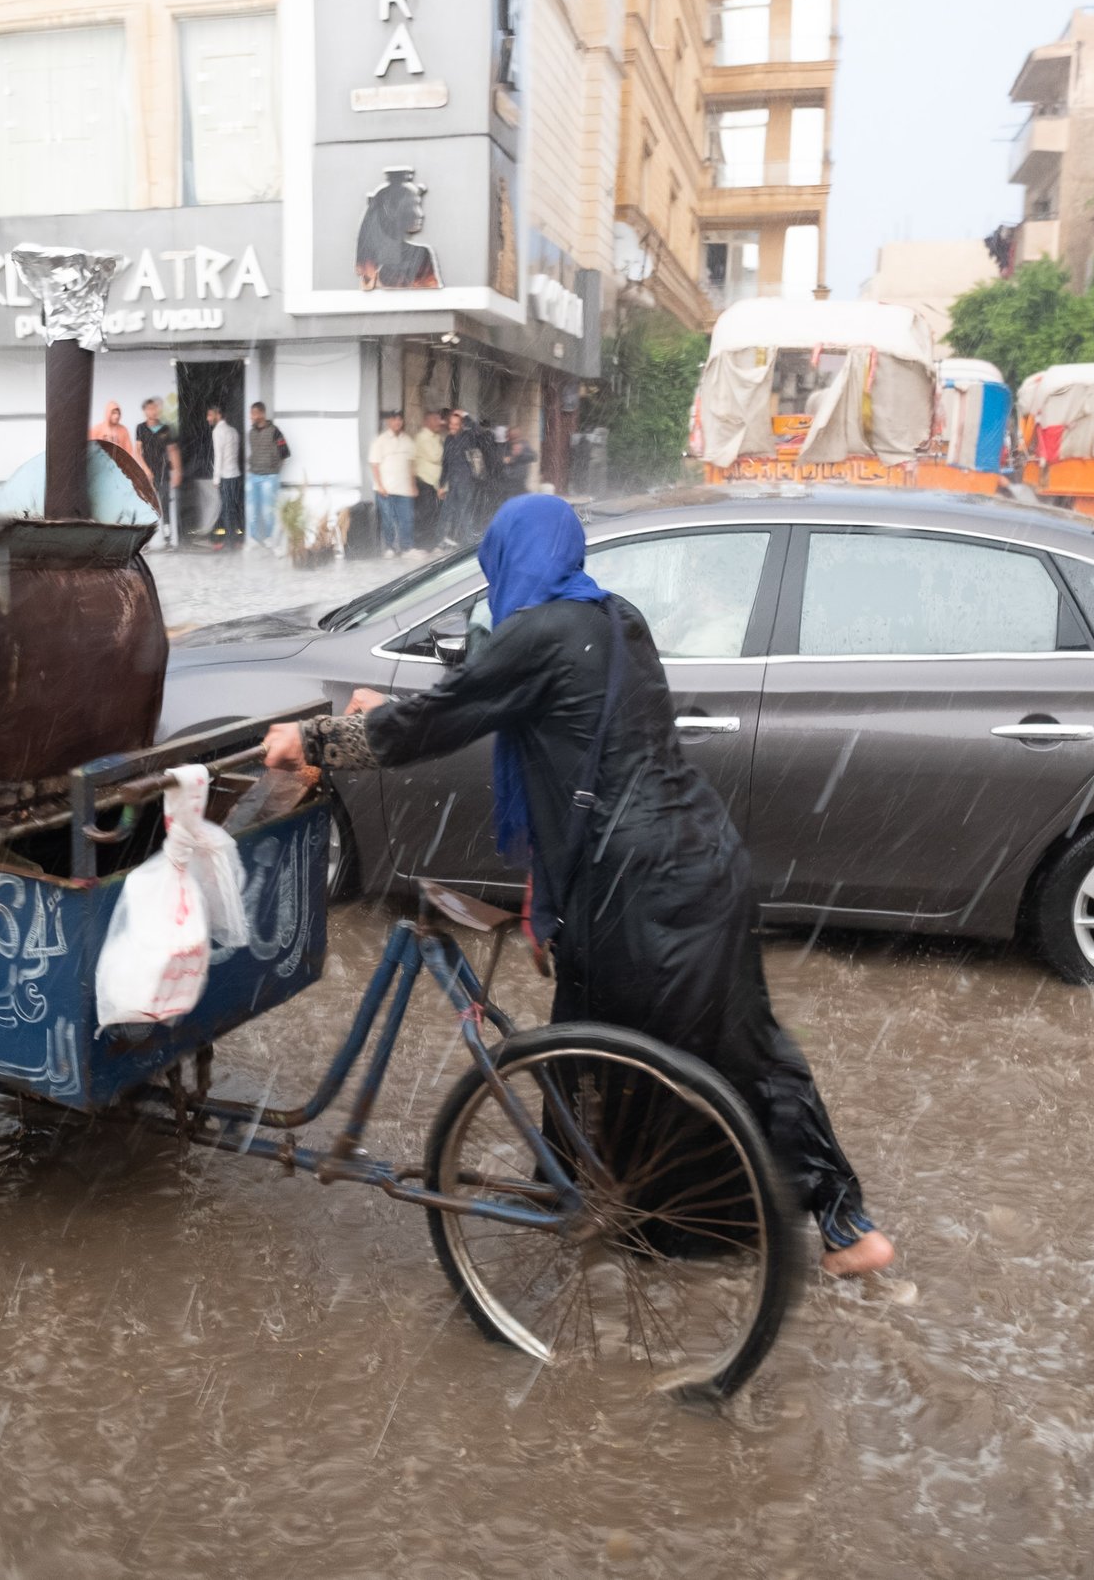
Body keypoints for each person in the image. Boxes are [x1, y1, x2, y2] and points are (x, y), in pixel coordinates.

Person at [261, 495, 895, 1279]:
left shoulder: (540, 637)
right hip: (699, 861)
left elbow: (446, 714)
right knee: (728, 1047)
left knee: (625, 1057)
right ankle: (810, 1222)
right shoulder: (613, 617)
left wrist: (314, 739)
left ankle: (629, 1210)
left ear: (503, 560)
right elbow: (508, 677)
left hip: (635, 885)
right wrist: (405, 702)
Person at [366, 410, 420, 556]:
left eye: (399, 420)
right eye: (394, 419)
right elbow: (374, 465)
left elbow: (411, 465)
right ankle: (389, 548)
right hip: (386, 489)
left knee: (406, 519)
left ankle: (406, 548)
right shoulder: (380, 441)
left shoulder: (407, 440)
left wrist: (413, 485)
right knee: (388, 520)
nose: (397, 422)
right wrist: (380, 485)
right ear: (389, 422)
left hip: (405, 490)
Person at [440, 410, 492, 547]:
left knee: (464, 511)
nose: (453, 427)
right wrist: (441, 484)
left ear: (461, 425)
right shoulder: (448, 440)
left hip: (466, 482)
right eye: (451, 424)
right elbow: (445, 463)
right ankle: (450, 539)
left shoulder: (468, 436)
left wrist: (466, 415)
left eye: (456, 424)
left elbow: (478, 432)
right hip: (452, 481)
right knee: (449, 511)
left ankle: (468, 543)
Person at [136, 398, 182, 548]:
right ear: (145, 411)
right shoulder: (140, 428)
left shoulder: (165, 429)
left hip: (163, 472)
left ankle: (168, 540)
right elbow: (137, 451)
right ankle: (145, 543)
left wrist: (177, 472)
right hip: (147, 474)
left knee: (165, 507)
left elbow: (172, 450)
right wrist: (146, 470)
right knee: (147, 507)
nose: (153, 411)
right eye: (149, 409)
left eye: (155, 408)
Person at [247, 401, 293, 554]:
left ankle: (268, 538)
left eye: (253, 413)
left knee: (268, 511)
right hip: (253, 475)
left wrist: (275, 471)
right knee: (252, 509)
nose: (251, 417)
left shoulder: (275, 431)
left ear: (261, 414)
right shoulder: (251, 433)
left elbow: (285, 452)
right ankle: (254, 538)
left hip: (269, 477)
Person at [208, 402, 245, 548]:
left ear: (218, 415)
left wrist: (216, 478)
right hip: (235, 475)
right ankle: (234, 539)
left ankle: (229, 542)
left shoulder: (218, 431)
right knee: (233, 508)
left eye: (210, 414)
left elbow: (219, 456)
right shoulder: (233, 431)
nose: (208, 418)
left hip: (226, 476)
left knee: (227, 510)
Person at [412, 407, 448, 542]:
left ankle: (431, 541)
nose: (440, 422)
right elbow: (435, 456)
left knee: (435, 513)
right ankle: (422, 542)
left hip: (435, 482)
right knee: (425, 513)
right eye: (436, 419)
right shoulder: (422, 437)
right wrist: (447, 451)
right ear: (427, 422)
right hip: (425, 481)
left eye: (439, 419)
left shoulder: (437, 437)